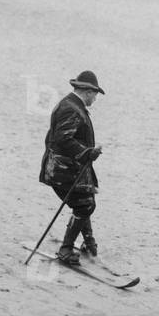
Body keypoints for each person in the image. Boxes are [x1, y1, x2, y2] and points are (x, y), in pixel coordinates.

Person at [39, 70, 105, 267]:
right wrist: (86, 153)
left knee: (85, 200)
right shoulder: (71, 108)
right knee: (85, 205)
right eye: (95, 95)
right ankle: (66, 250)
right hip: (62, 170)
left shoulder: (71, 104)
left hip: (66, 168)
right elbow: (63, 139)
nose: (95, 99)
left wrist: (86, 153)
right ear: (87, 91)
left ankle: (89, 244)